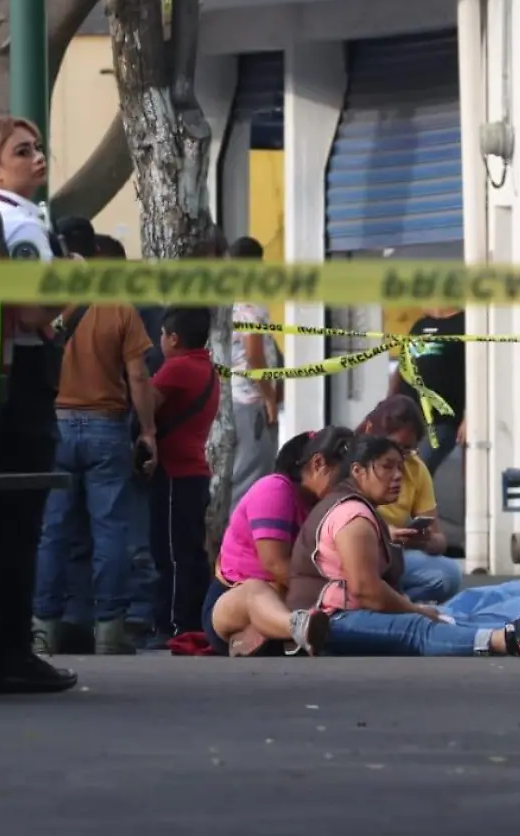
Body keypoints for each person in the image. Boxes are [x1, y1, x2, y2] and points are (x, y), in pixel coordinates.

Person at [0, 117, 78, 694]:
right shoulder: (22, 224)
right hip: (24, 382)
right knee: (18, 527)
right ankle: (11, 651)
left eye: (39, 148)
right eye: (22, 151)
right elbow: (33, 310)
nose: (38, 158)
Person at [286, 434, 520, 658]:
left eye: (400, 468)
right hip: (331, 622)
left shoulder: (352, 505)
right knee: (417, 627)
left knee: (444, 613)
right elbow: (366, 591)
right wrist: (415, 609)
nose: (398, 476)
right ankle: (507, 641)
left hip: (344, 613)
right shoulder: (352, 515)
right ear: (358, 471)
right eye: (387, 467)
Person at [33, 234, 160, 656]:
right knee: (110, 532)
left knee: (51, 532)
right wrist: (148, 431)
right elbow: (138, 378)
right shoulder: (119, 309)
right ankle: (109, 630)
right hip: (107, 428)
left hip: (55, 426)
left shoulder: (44, 310)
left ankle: (43, 628)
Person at [204, 426, 355, 656]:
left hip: (292, 597)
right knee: (257, 590)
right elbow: (275, 564)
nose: (347, 485)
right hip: (234, 600)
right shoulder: (274, 489)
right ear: (317, 464)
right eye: (342, 476)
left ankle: (267, 635)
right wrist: (329, 595)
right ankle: (296, 628)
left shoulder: (325, 504)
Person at [147, 306, 221, 642]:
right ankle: (192, 619)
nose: (159, 342)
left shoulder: (177, 368)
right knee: (190, 550)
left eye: (162, 336)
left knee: (172, 553)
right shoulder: (206, 367)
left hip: (175, 471)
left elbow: (144, 401)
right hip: (194, 471)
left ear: (174, 338)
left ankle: (173, 624)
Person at [357, 396, 460, 602]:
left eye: (407, 450)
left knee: (448, 574)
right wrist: (384, 533)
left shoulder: (414, 467)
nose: (399, 462)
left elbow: (439, 538)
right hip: (359, 549)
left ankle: (395, 602)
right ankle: (390, 603)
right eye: (387, 464)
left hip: (397, 553)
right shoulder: (354, 463)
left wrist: (427, 540)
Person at [228, 236, 284, 502]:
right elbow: (254, 355)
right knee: (253, 476)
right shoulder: (249, 304)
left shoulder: (231, 301)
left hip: (238, 397)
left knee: (246, 471)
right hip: (251, 401)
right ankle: (244, 538)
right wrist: (269, 397)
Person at [388, 306, 466, 474]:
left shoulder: (464, 324)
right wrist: (387, 404)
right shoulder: (420, 325)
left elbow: (477, 373)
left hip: (442, 420)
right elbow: (402, 365)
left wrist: (470, 417)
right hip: (408, 418)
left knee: (417, 470)